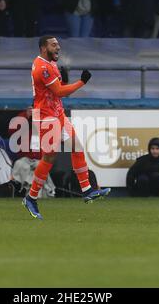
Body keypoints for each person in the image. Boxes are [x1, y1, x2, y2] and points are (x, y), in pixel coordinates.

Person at [22, 35, 111, 220]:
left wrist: (64, 81)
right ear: (43, 48)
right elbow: (59, 92)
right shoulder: (42, 67)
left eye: (58, 44)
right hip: (45, 117)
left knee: (77, 146)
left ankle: (87, 190)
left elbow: (56, 90)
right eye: (54, 45)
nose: (58, 47)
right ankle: (31, 198)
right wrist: (81, 82)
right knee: (49, 156)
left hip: (57, 113)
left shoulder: (50, 63)